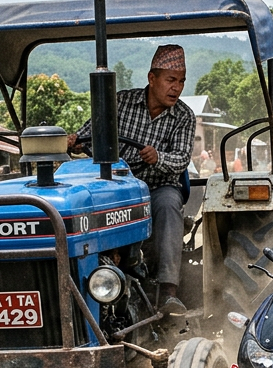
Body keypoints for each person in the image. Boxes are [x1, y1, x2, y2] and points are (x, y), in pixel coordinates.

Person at [68, 44, 196, 314]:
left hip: (157, 186)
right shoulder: (121, 102)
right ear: (152, 78)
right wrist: (76, 141)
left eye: (181, 81)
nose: (177, 88)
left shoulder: (184, 116)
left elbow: (182, 158)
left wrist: (158, 157)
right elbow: (90, 134)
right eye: (171, 80)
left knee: (169, 204)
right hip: (115, 187)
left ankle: (168, 291)